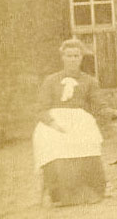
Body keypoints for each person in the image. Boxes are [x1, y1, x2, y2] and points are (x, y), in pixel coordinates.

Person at [33, 39, 108, 206]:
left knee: (87, 138)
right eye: (69, 56)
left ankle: (89, 192)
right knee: (52, 141)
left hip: (80, 120)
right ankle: (58, 194)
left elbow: (99, 105)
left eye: (76, 55)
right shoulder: (51, 80)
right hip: (54, 121)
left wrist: (111, 113)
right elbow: (41, 108)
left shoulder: (89, 81)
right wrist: (53, 124)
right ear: (63, 57)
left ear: (81, 57)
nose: (73, 59)